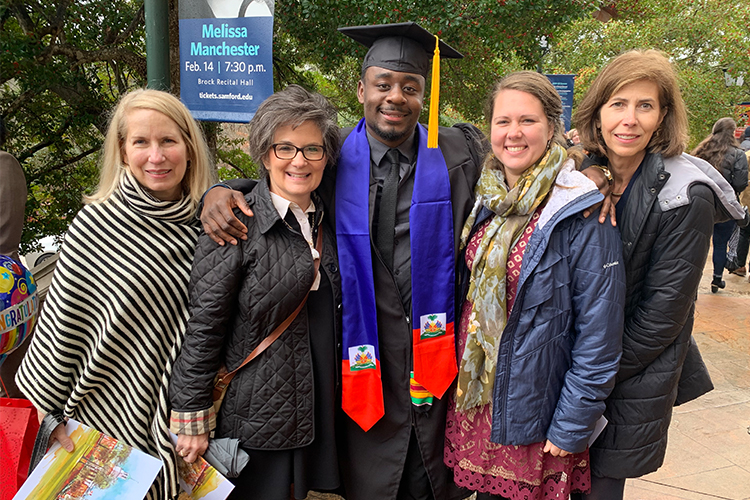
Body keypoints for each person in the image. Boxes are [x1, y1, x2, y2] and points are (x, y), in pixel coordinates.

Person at [198, 21, 487, 500]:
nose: (395, 96)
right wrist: (223, 191)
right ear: (361, 90)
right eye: (383, 84)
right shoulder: (331, 161)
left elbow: (526, 165)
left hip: (438, 355)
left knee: (435, 482)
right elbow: (280, 184)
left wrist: (594, 170)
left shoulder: (459, 151)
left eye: (410, 87)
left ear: (424, 97)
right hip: (363, 356)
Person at [16, 88, 216, 500]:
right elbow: (61, 331)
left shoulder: (209, 227)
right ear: (123, 152)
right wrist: (47, 416)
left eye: (168, 141)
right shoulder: (95, 227)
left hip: (186, 430)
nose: (156, 156)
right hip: (100, 430)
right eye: (141, 142)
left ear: (190, 148)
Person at [570, 50, 746, 500]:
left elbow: (661, 318)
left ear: (663, 115)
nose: (629, 120)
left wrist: (586, 381)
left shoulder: (685, 195)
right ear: (598, 110)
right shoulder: (579, 175)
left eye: (645, 106)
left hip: (626, 377)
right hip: (572, 371)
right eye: (618, 104)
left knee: (599, 488)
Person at [443, 71, 625, 500]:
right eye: (503, 121)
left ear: (553, 128)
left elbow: (599, 335)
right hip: (481, 403)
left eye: (528, 121)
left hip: (538, 411)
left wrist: (572, 424)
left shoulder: (580, 211)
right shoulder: (486, 197)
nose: (513, 133)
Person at [168, 85, 342, 500]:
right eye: (285, 148)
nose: (299, 161)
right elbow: (205, 323)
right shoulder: (234, 224)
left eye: (312, 149)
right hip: (258, 415)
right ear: (265, 155)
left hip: (316, 407)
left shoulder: (328, 217)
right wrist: (190, 408)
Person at [691, 117, 748, 287]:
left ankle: (692, 284)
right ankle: (717, 278)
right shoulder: (738, 154)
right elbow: (740, 183)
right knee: (720, 243)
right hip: (725, 205)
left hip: (700, 203)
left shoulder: (701, 151)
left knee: (696, 243)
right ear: (733, 133)